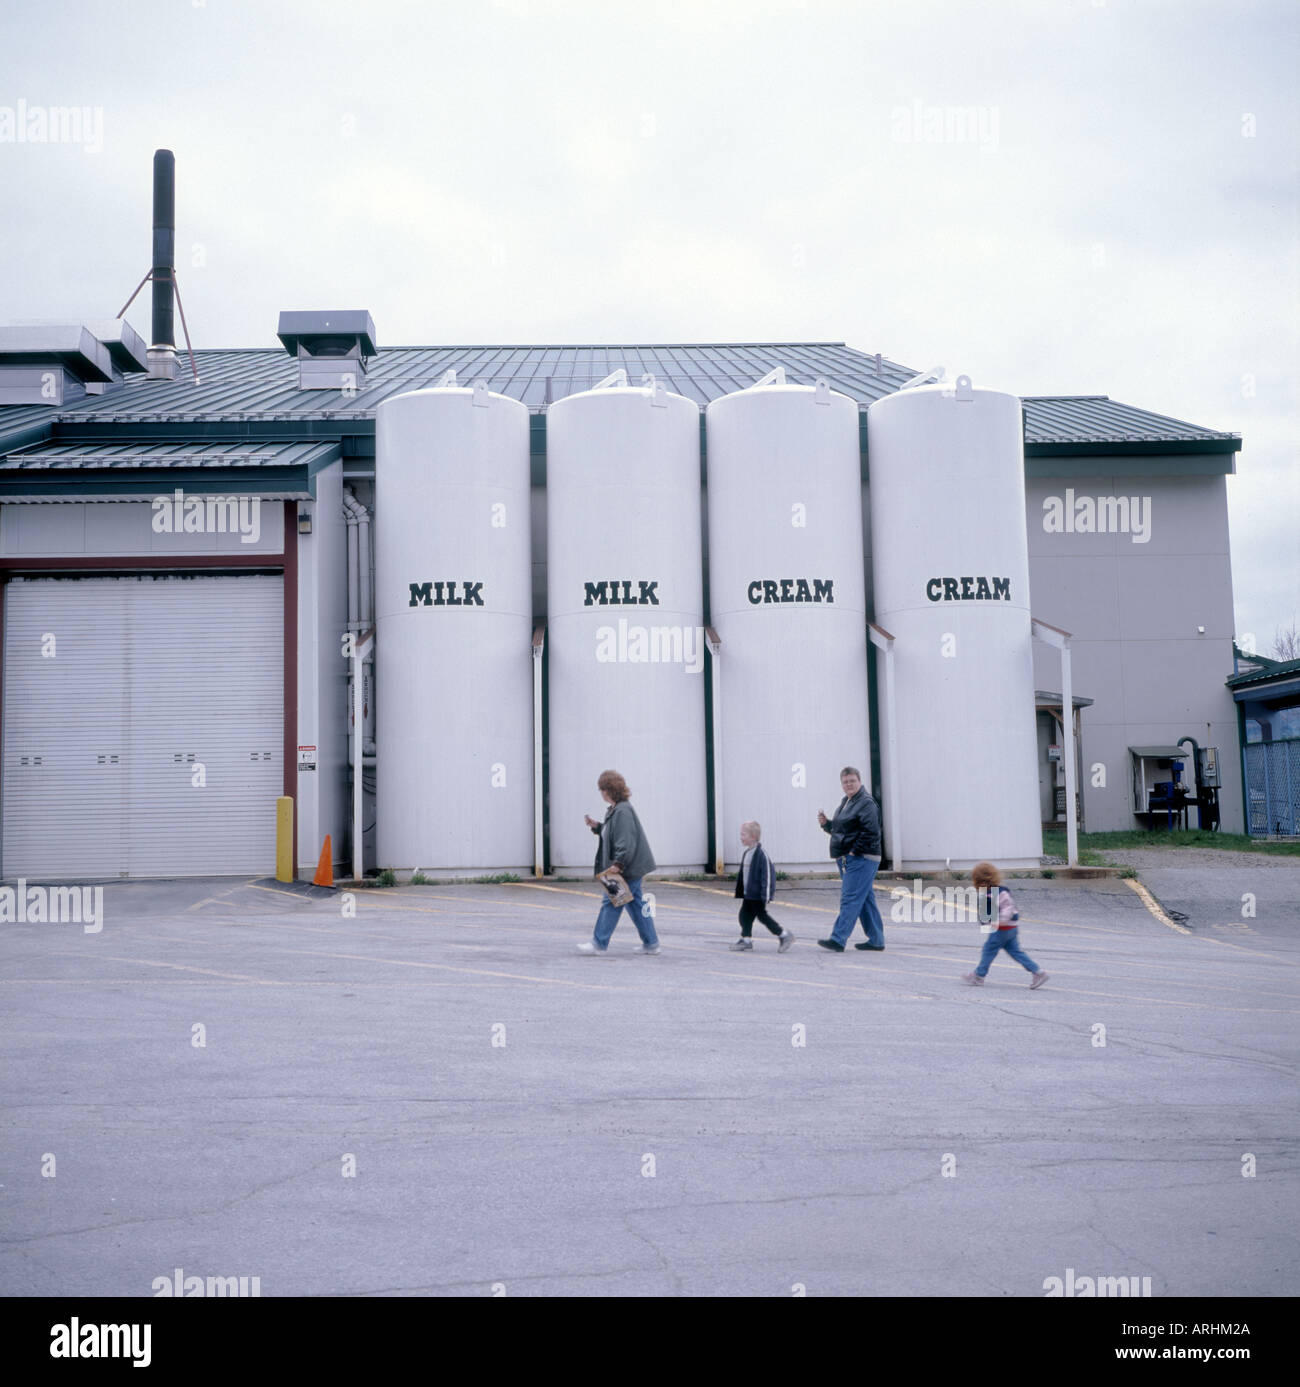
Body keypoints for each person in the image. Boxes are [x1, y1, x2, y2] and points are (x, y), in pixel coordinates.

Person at [578, 770, 661, 955]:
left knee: (611, 902)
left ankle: (598, 944)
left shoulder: (622, 811)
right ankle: (652, 943)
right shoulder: (617, 809)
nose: (600, 793)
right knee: (635, 905)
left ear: (608, 790)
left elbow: (626, 841)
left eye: (601, 789)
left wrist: (618, 864)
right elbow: (613, 834)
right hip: (632, 866)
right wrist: (598, 827)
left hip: (627, 867)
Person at [816, 766, 886, 953]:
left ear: (860, 781)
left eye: (852, 781)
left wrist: (854, 852)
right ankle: (876, 940)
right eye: (845, 782)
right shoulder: (847, 802)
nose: (849, 784)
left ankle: (838, 939)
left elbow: (871, 832)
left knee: (850, 898)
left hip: (861, 858)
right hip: (850, 858)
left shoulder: (866, 803)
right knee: (864, 899)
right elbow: (843, 831)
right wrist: (827, 824)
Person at [962, 862, 1048, 988]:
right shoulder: (994, 893)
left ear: (981, 882)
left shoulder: (997, 893)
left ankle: (978, 976)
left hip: (1002, 929)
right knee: (1016, 952)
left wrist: (999, 920)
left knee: (988, 950)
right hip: (1010, 928)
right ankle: (1038, 972)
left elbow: (1007, 908)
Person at [731, 821, 794, 952]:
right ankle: (746, 940)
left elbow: (768, 876)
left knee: (762, 916)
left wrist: (766, 895)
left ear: (753, 837)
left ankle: (784, 935)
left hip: (758, 895)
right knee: (744, 915)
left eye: (743, 834)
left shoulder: (761, 855)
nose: (741, 837)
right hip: (749, 894)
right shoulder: (747, 853)